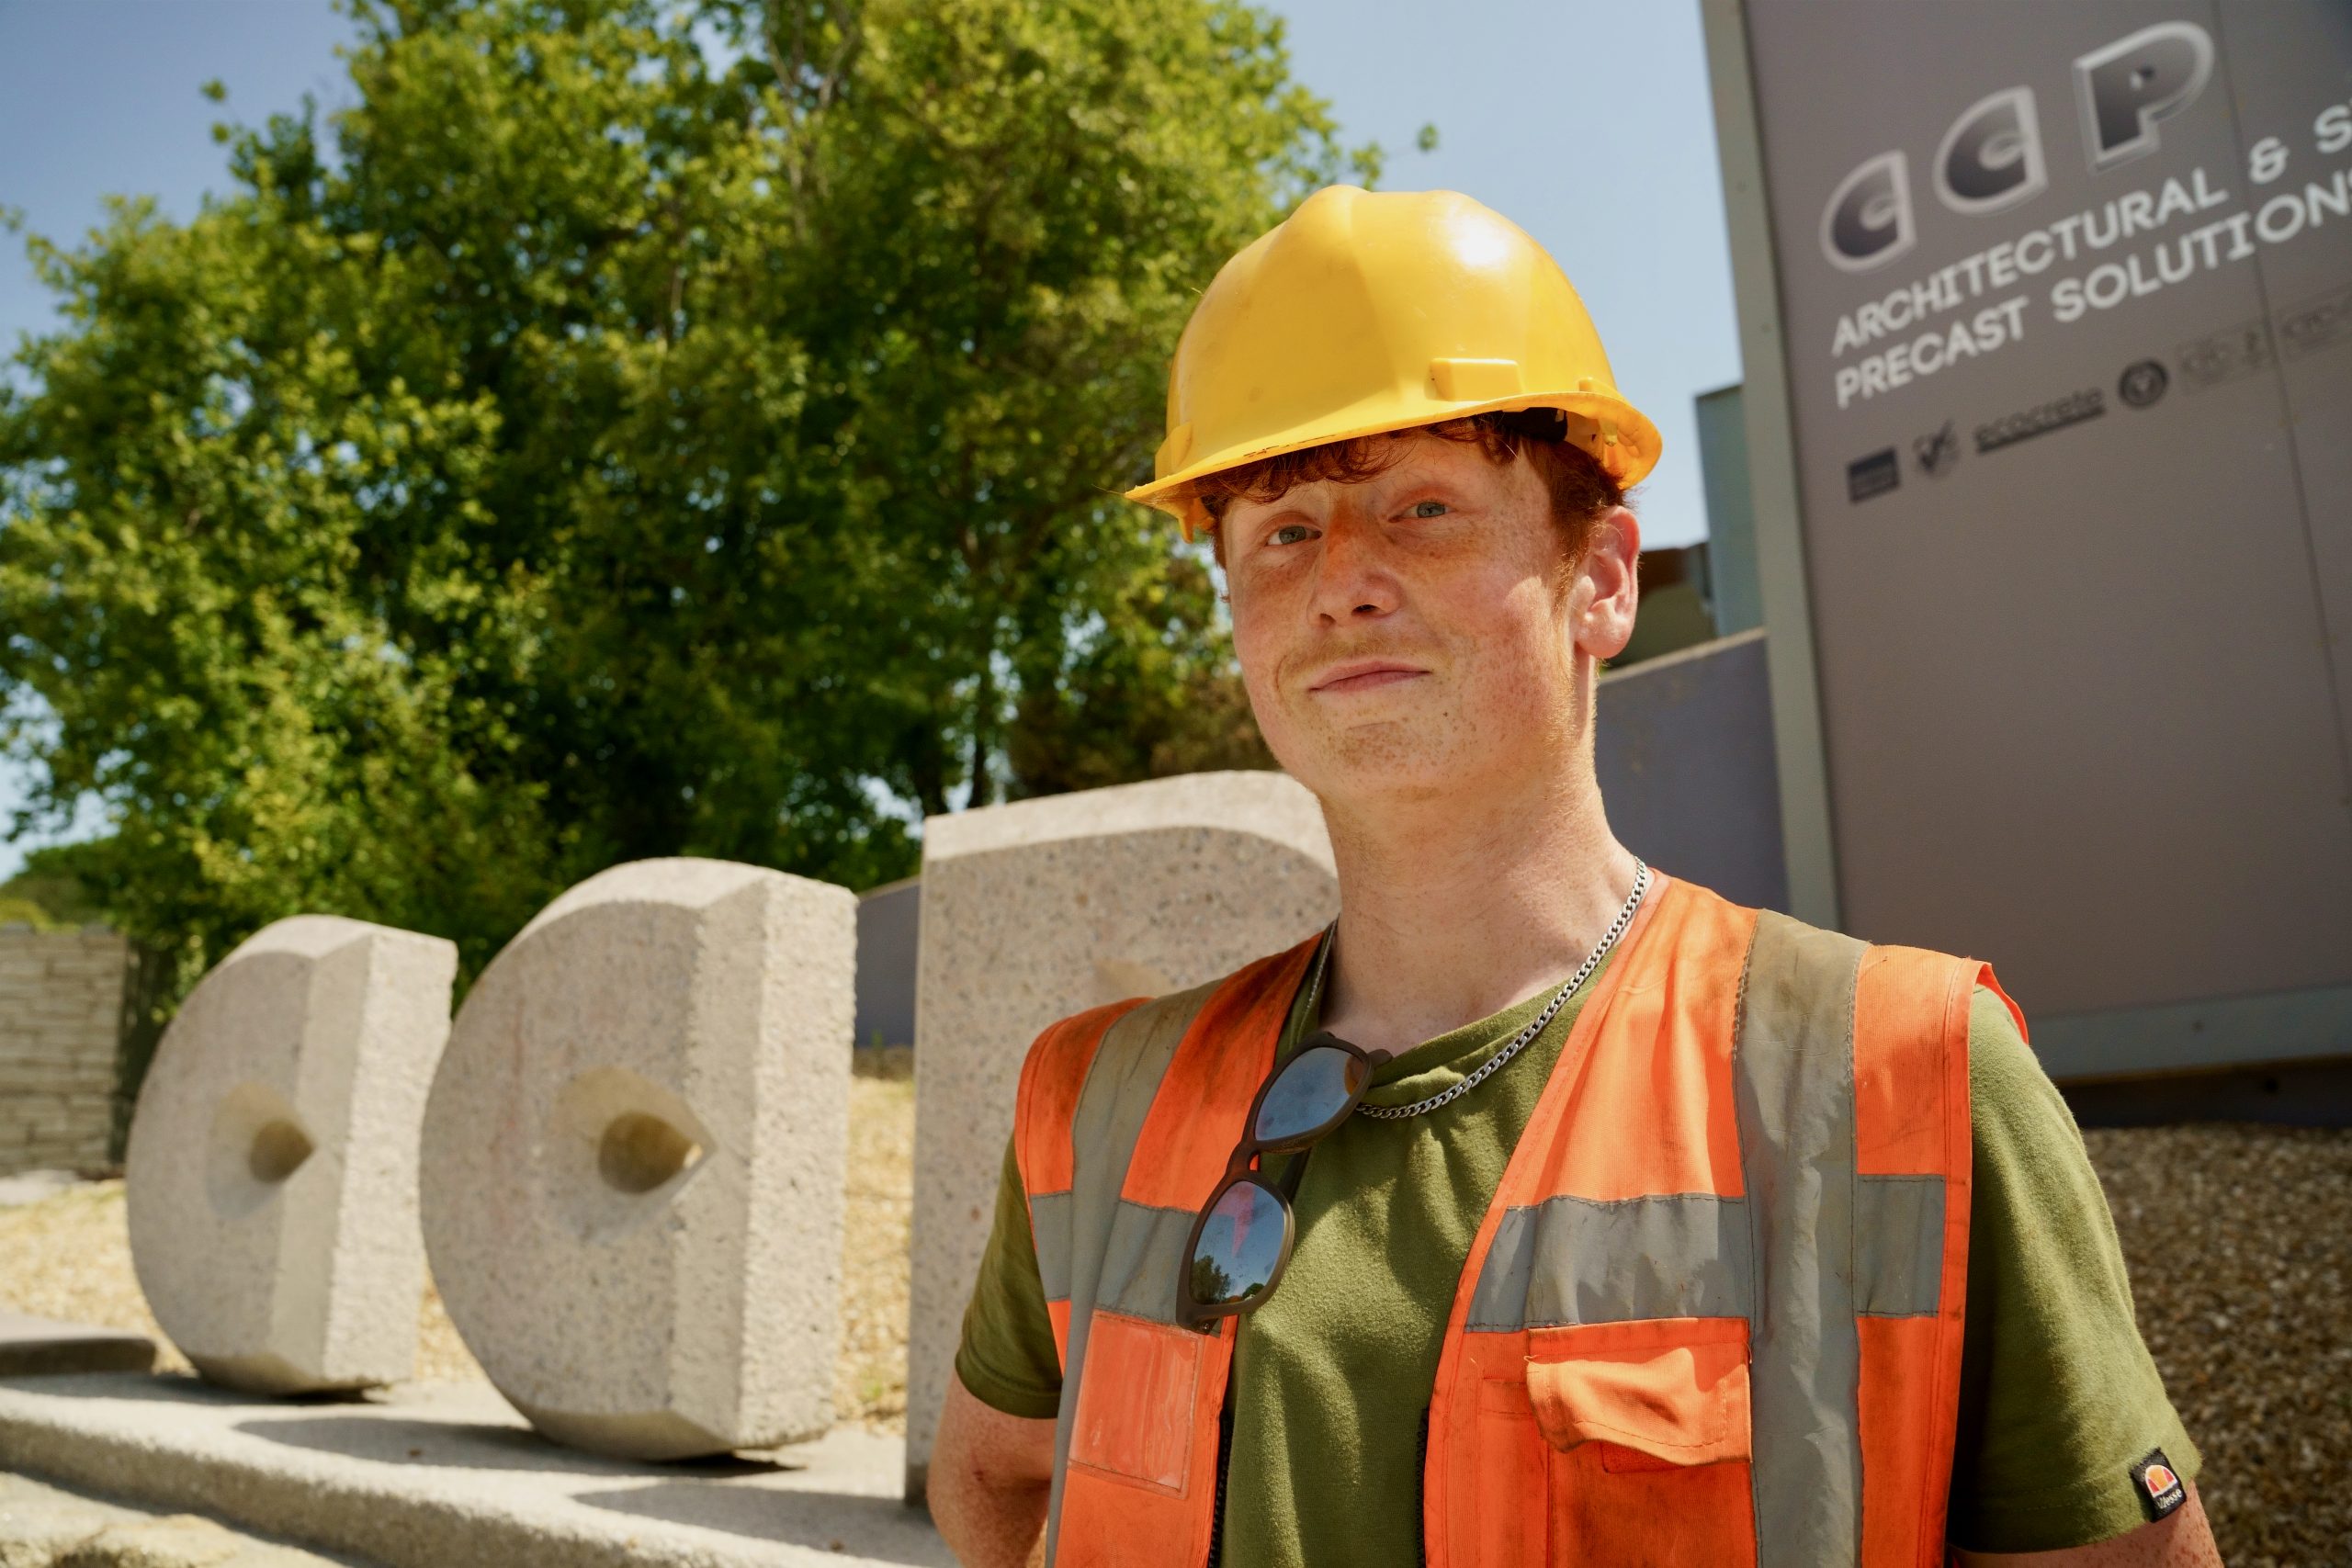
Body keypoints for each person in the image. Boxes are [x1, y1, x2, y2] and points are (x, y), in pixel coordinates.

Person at [927, 186, 2222, 1568]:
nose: (1341, 579)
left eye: (1420, 507)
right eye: (1281, 530)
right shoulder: (1096, 1102)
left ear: (1602, 577)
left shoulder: (1902, 1077)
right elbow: (994, 1476)